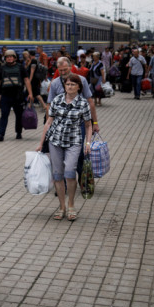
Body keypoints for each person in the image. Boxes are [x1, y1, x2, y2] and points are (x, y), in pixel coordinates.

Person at [38, 73, 93, 221]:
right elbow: (48, 122)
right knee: (57, 175)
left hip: (74, 141)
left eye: (73, 84)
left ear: (78, 87)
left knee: (70, 172)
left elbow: (88, 126)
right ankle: (61, 207)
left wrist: (88, 143)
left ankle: (71, 205)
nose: (69, 87)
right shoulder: (57, 100)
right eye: (67, 84)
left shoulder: (83, 104)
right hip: (55, 141)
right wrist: (41, 143)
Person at [0, 49, 32, 141]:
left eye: (11, 57)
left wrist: (30, 93)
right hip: (6, 95)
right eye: (7, 57)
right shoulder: (2, 68)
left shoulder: (20, 67)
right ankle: (1, 134)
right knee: (4, 114)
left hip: (18, 95)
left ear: (14, 58)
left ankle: (18, 132)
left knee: (19, 115)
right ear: (5, 58)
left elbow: (26, 80)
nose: (9, 58)